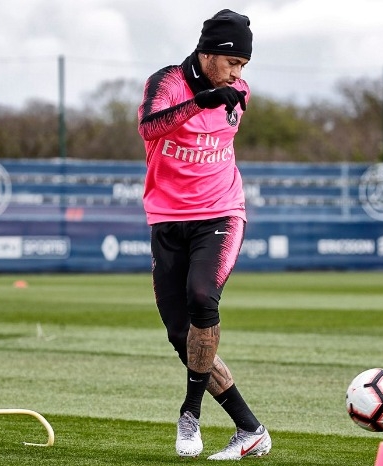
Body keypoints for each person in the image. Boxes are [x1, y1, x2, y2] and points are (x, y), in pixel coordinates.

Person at [137, 8, 271, 461]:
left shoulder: (237, 91)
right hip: (166, 219)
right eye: (233, 62)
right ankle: (250, 429)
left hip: (221, 213)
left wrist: (219, 94)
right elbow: (150, 126)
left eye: (243, 66)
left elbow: (229, 105)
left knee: (201, 296)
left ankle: (189, 413)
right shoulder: (167, 82)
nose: (238, 74)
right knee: (181, 335)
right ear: (209, 53)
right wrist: (202, 100)